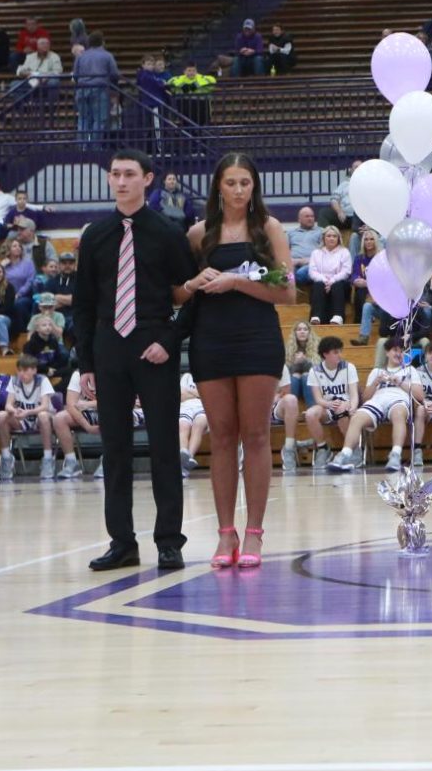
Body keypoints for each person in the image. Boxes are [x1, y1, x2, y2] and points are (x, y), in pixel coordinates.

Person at [73, 149, 198, 571]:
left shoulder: (166, 232)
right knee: (115, 449)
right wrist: (86, 362)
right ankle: (122, 542)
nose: (121, 181)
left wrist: (168, 339)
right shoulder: (95, 235)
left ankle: (169, 541)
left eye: (129, 174)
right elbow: (84, 304)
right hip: (109, 349)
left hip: (154, 347)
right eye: (115, 174)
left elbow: (190, 293)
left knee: (164, 446)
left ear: (148, 179)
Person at [178, 151, 294, 568]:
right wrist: (193, 283)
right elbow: (177, 294)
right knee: (222, 437)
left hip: (258, 339)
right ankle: (225, 534)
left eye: (246, 182)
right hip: (210, 341)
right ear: (218, 186)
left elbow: (288, 293)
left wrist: (237, 282)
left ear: (254, 186)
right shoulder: (197, 235)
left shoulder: (269, 229)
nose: (239, 190)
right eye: (231, 183)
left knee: (257, 435)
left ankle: (254, 534)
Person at [328, 338, 421, 473]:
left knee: (398, 414)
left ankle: (395, 455)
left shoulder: (410, 370)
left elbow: (419, 396)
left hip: (399, 400)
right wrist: (375, 383)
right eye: (395, 350)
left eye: (401, 351)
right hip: (378, 401)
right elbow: (365, 398)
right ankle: (344, 455)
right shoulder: (376, 372)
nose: (398, 354)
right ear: (387, 353)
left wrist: (401, 382)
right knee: (357, 417)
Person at [304, 336, 360, 473]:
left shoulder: (349, 367)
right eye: (335, 352)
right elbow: (318, 399)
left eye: (340, 351)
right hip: (327, 406)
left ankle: (353, 450)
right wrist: (329, 404)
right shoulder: (315, 371)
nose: (339, 355)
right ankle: (323, 449)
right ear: (325, 354)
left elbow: (354, 394)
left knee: (341, 409)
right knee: (310, 414)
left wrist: (352, 406)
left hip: (346, 404)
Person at [0, 355, 56, 480]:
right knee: (1, 416)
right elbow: (8, 405)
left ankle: (47, 458)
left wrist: (27, 412)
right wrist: (14, 410)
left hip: (39, 418)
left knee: (43, 415)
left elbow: (45, 406)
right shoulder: (14, 381)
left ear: (34, 370)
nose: (21, 374)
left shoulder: (42, 380)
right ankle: (7, 457)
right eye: (19, 370)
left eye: (25, 370)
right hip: (22, 419)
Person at [52, 368, 102, 480]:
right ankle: (71, 463)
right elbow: (71, 404)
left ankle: (109, 460)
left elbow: (114, 400)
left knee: (114, 412)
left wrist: (88, 404)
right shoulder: (78, 374)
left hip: (108, 410)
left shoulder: (110, 369)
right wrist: (87, 427)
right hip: (87, 412)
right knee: (59, 418)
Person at [72, 32, 120, 145]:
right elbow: (114, 74)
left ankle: (82, 147)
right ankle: (95, 147)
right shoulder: (107, 55)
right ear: (102, 42)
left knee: (83, 119)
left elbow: (75, 75)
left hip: (82, 89)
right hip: (100, 89)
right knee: (99, 119)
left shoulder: (81, 56)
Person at [307, 226, 351, 325]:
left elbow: (346, 271)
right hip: (322, 283)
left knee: (337, 285)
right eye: (329, 236)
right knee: (318, 285)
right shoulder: (316, 253)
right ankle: (316, 316)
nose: (331, 238)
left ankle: (338, 316)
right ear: (324, 238)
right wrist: (324, 280)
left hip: (339, 283)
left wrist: (332, 281)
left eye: (334, 236)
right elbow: (312, 271)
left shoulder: (344, 252)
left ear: (338, 238)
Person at [349, 228, 384, 345]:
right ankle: (363, 338)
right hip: (367, 295)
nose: (369, 242)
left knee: (365, 293)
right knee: (367, 305)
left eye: (371, 239)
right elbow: (354, 274)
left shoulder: (383, 259)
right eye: (366, 239)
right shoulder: (359, 258)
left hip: (384, 302)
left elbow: (386, 281)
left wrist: (368, 283)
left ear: (376, 241)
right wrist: (355, 280)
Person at [177, 373, 207, 475]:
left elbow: (209, 396)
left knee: (198, 425)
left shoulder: (207, 376)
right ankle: (184, 453)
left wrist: (189, 391)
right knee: (183, 426)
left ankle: (189, 456)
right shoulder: (186, 376)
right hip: (185, 407)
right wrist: (198, 393)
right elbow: (180, 395)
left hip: (203, 407)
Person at [286, 320, 315, 407]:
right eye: (299, 329)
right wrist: (295, 364)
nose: (302, 332)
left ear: (309, 332)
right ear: (295, 332)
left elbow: (320, 370)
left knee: (306, 376)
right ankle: (290, 409)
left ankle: (312, 409)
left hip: (313, 386)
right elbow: (285, 373)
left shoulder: (317, 346)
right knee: (295, 377)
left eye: (305, 329)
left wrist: (305, 360)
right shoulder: (288, 348)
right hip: (295, 385)